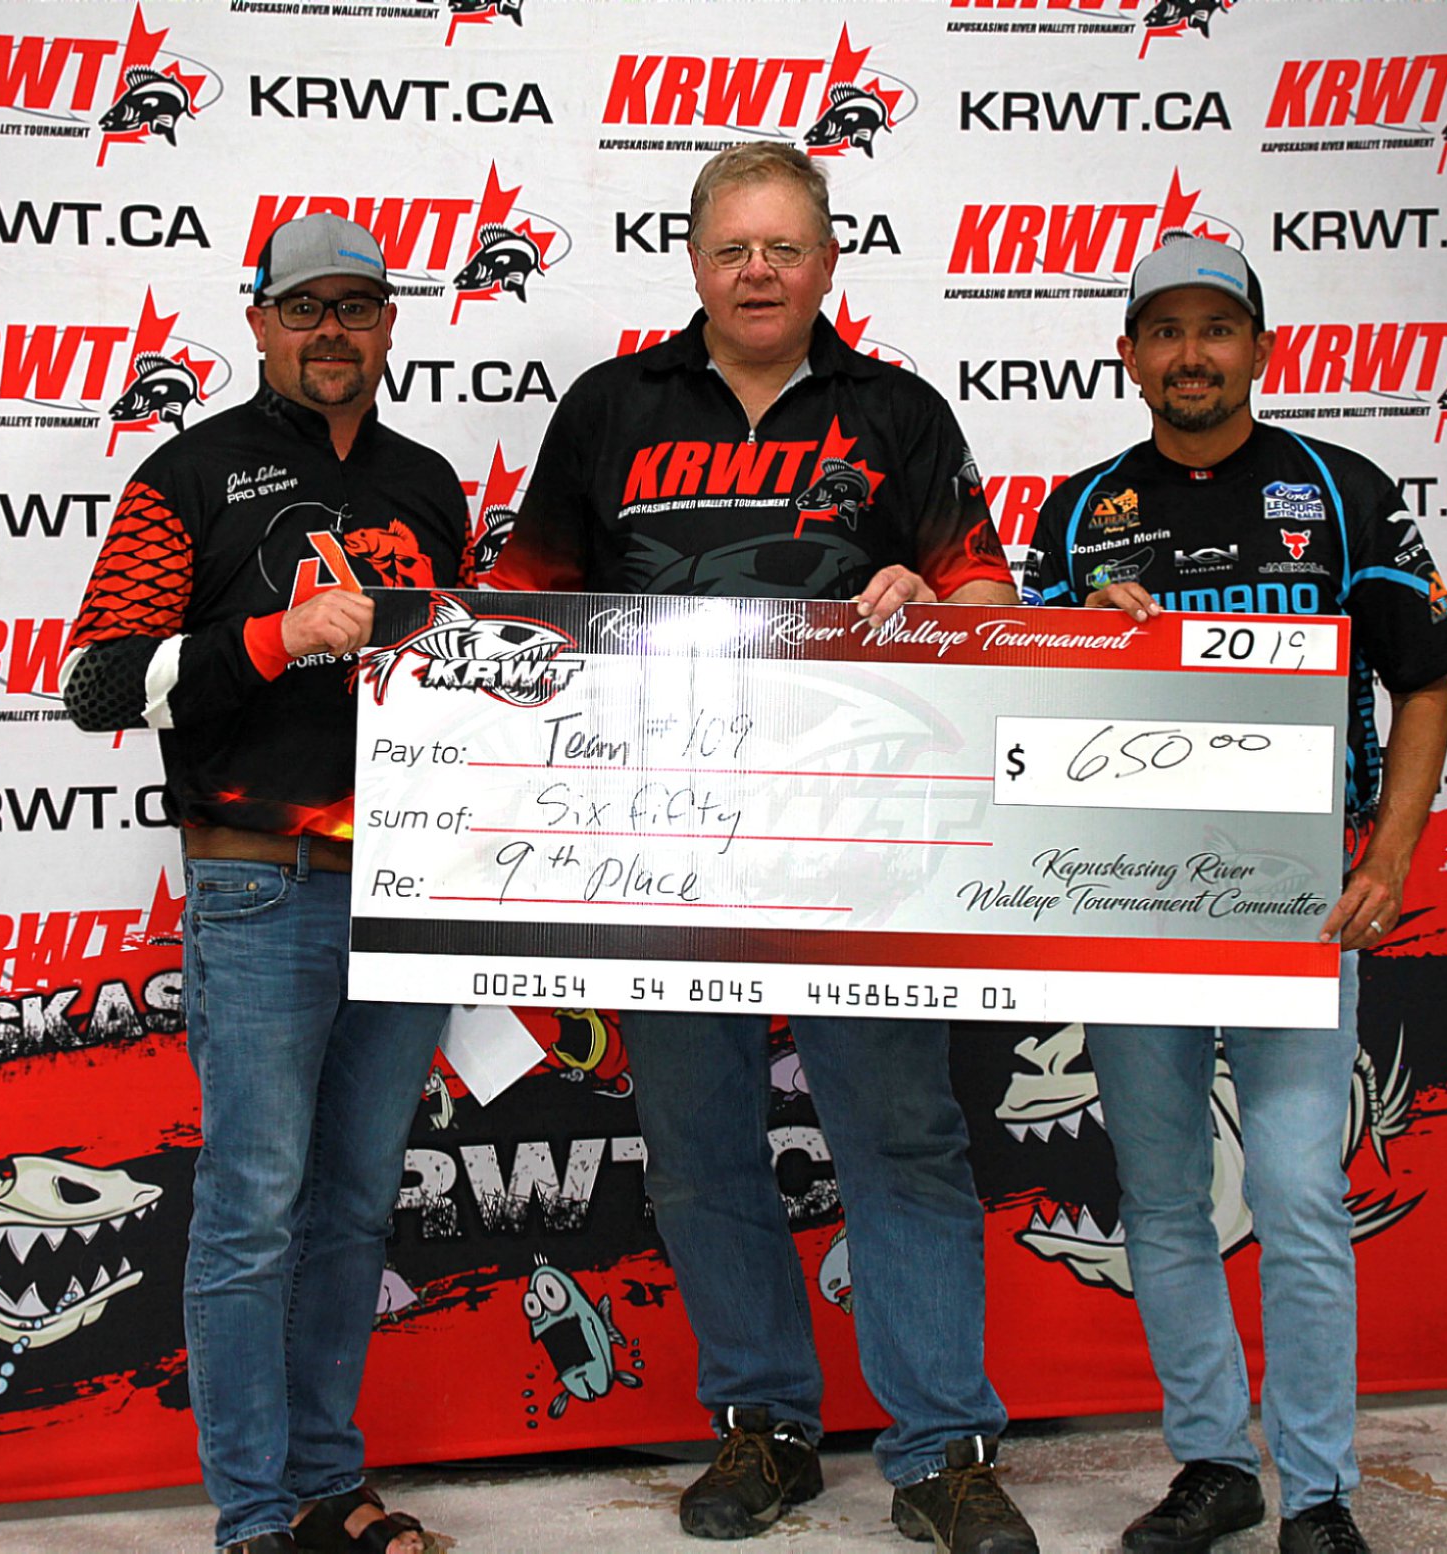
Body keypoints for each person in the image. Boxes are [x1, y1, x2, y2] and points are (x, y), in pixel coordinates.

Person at [491, 143, 1038, 1554]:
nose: (757, 273)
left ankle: (943, 1451)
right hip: (663, 848)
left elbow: (989, 593)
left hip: (864, 846)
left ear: (827, 262)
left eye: (784, 248)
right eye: (733, 247)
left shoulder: (895, 411)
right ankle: (766, 1425)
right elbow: (521, 614)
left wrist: (943, 602)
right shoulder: (611, 408)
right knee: (697, 1143)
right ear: (693, 260)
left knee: (901, 1137)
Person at [1024, 233, 1447, 1554]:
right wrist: (1077, 642)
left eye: (1216, 328)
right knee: (1165, 1201)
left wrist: (1389, 858)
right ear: (1128, 355)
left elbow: (1426, 684)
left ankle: (1319, 1492)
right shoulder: (1078, 512)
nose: (1191, 354)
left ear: (1260, 348)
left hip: (1295, 904)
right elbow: (1023, 714)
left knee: (1298, 1196)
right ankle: (1215, 1463)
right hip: (1130, 901)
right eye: (1164, 330)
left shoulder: (1340, 489)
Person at [61, 214, 470, 1554]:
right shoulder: (187, 473)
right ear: (257, 322)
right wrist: (274, 635)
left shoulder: (428, 483)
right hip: (259, 885)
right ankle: (250, 1514)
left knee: (353, 1206)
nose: (330, 331)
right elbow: (98, 684)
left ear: (390, 324)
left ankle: (325, 1486)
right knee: (253, 1208)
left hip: (403, 892)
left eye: (356, 306)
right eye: (304, 308)